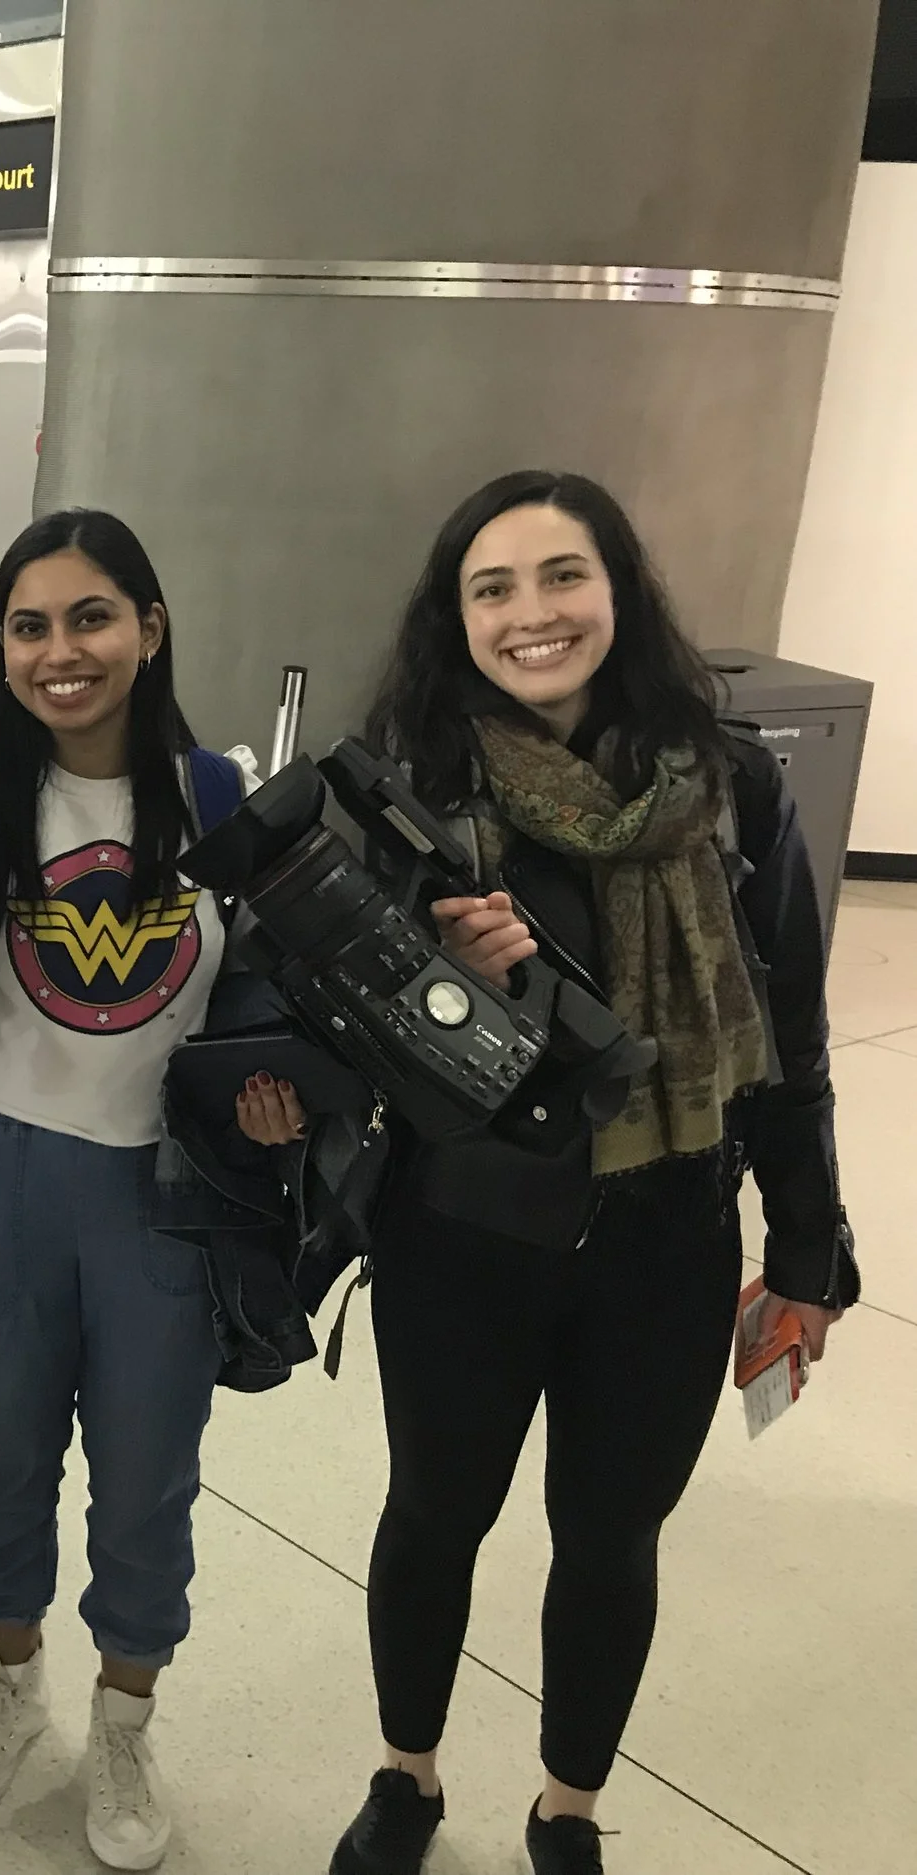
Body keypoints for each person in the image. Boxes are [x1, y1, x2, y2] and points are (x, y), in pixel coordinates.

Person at [326, 471, 858, 1875]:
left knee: (612, 1537)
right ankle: (406, 1777)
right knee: (435, 1514)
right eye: (492, 588)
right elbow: (352, 1034)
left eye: (563, 575)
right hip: (463, 1230)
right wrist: (441, 980)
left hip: (668, 1234)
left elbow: (788, 1036)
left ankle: (567, 1806)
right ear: (456, 618)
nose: (533, 614)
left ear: (619, 589)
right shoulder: (412, 792)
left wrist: (807, 1252)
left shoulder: (733, 790)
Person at [0, 511, 300, 1870]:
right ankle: (12, 1684)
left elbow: (276, 989)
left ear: (150, 627)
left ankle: (124, 1723)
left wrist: (275, 1095)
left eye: (91, 617)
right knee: (2, 1463)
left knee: (146, 1481)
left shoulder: (216, 796)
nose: (59, 651)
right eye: (29, 626)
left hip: (164, 1189)